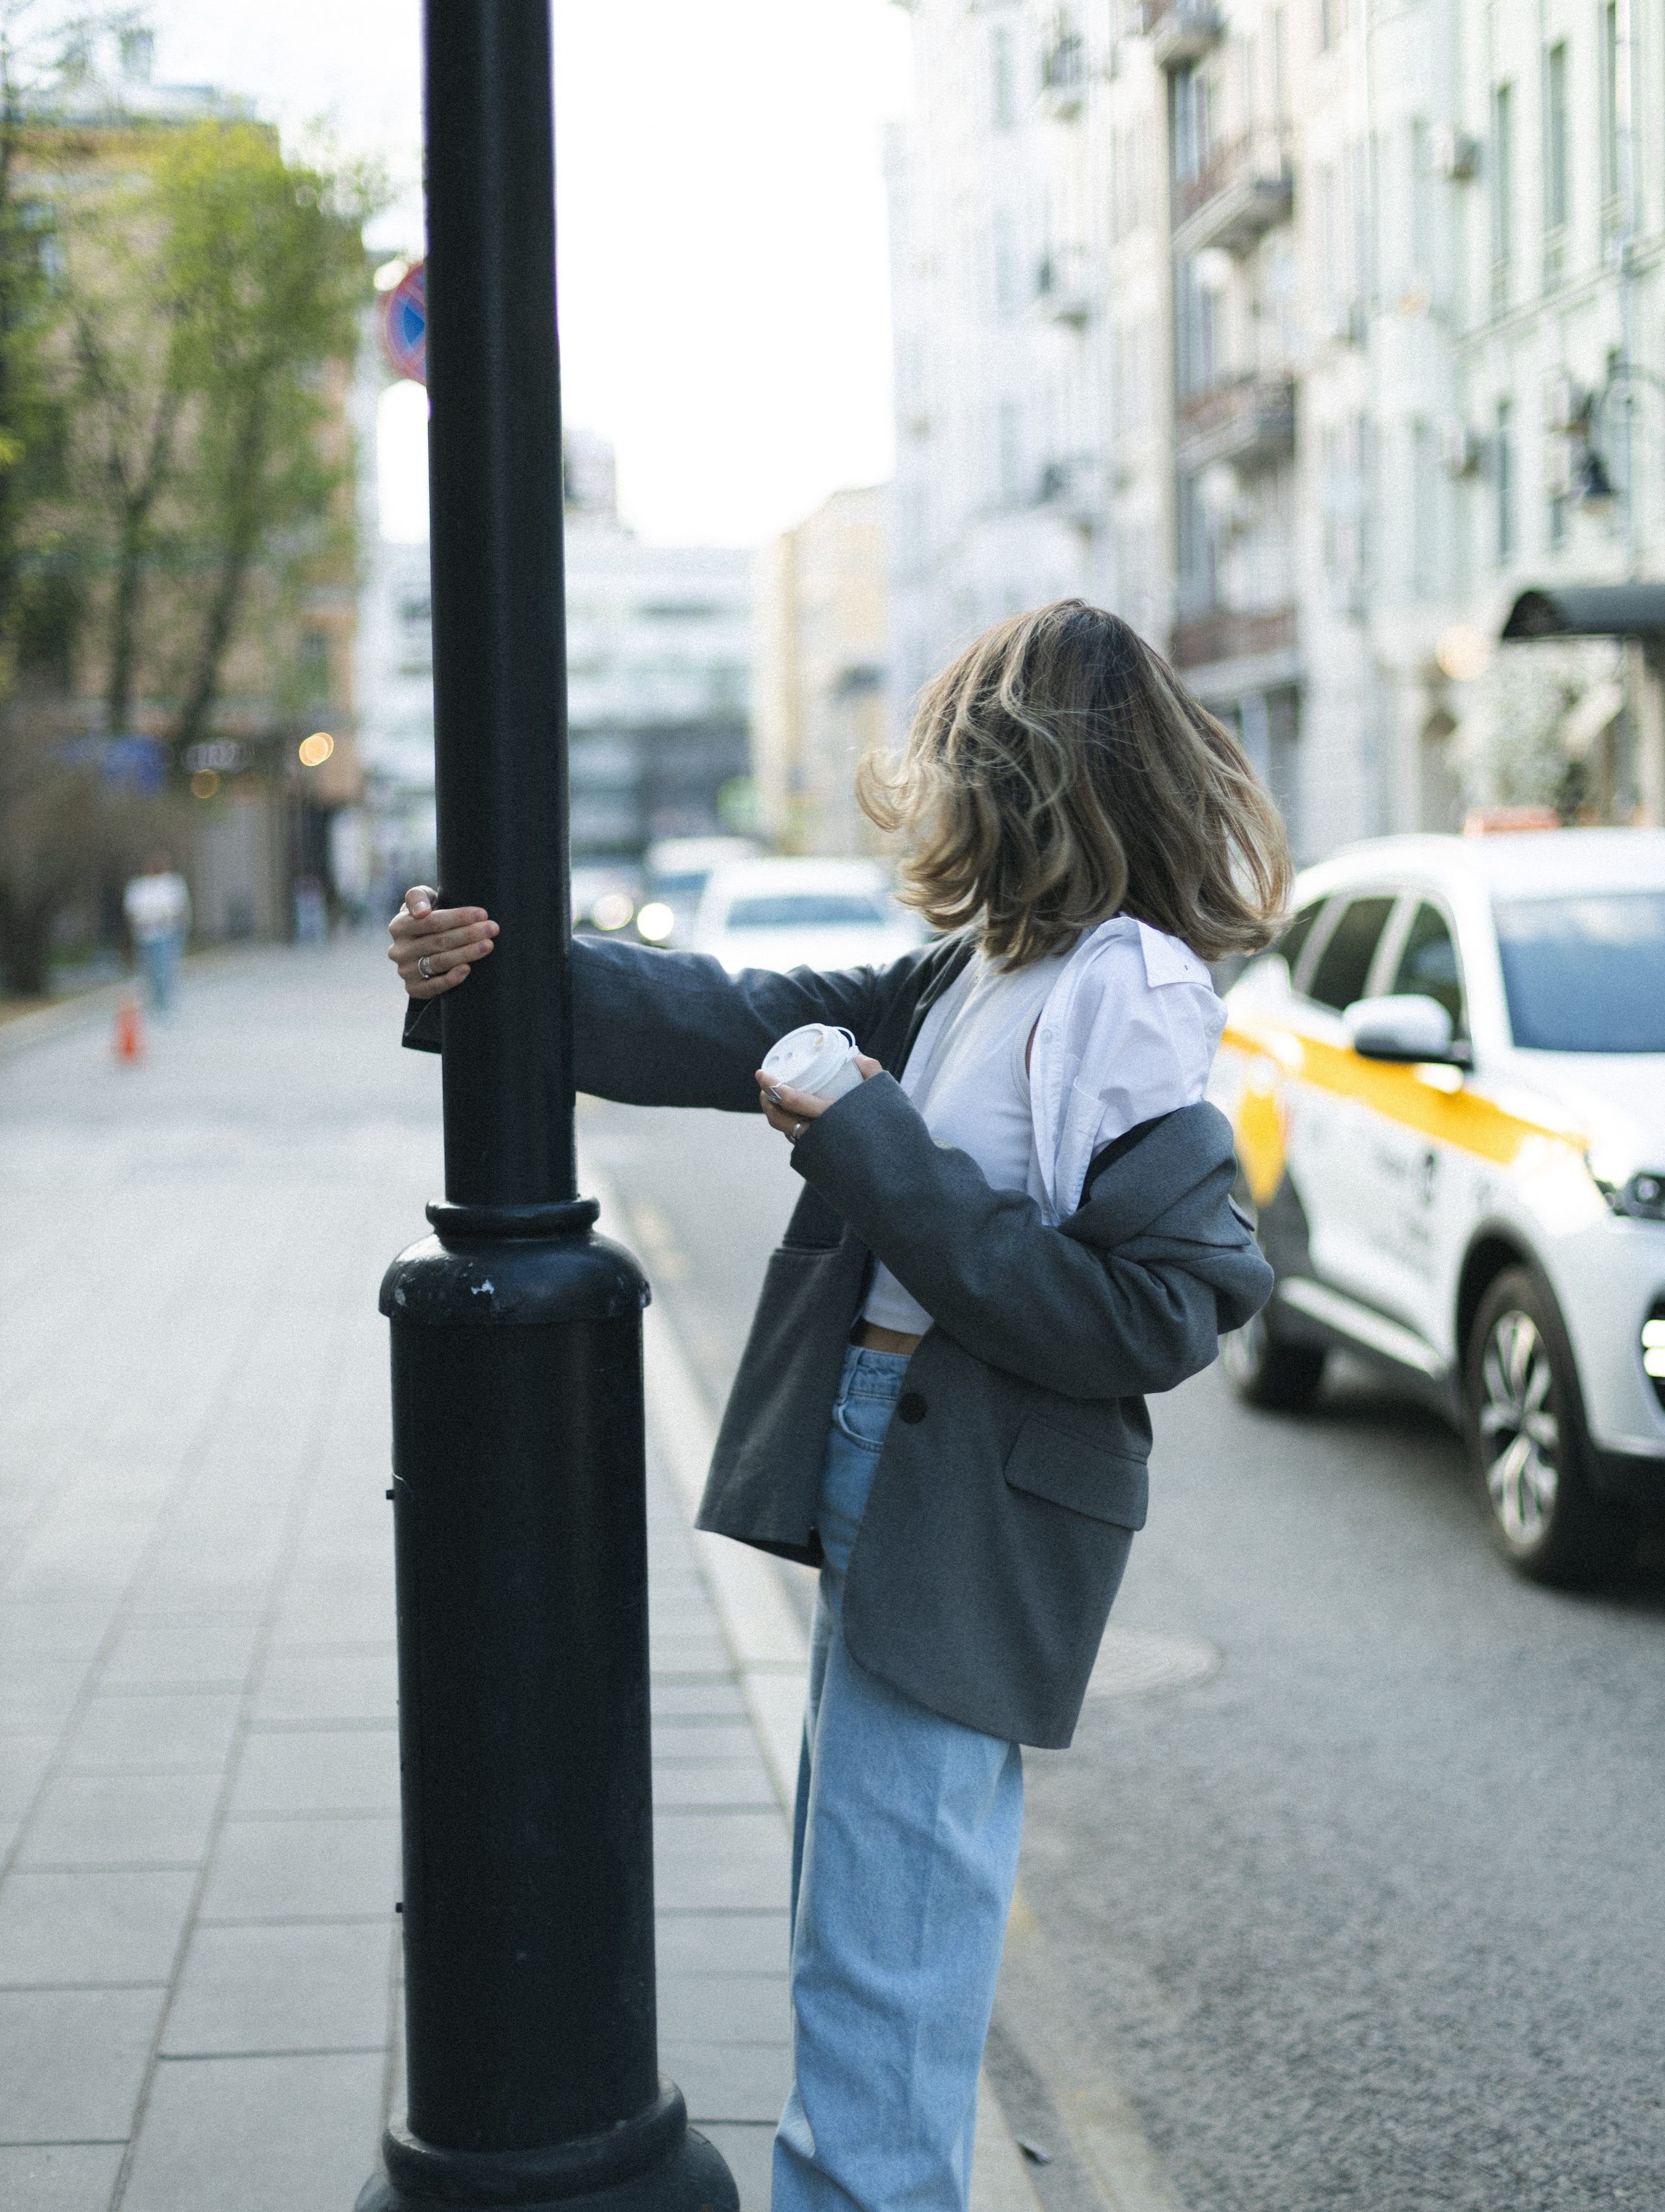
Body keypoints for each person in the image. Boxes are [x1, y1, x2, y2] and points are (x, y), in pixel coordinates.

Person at [388, 601, 1290, 2212]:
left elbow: (1157, 1308)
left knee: (890, 1956)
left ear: (1017, 777)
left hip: (980, 1506)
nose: (928, 793)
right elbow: (732, 1012)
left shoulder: (1126, 984)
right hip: (893, 1461)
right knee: (855, 1919)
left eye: (951, 762)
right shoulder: (979, 965)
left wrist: (866, 1138)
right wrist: (497, 972)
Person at [123, 851, 191, 1015]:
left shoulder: (172, 883)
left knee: (164, 969)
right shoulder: (140, 886)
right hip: (145, 934)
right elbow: (132, 911)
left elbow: (180, 909)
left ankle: (165, 1005)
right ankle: (154, 1003)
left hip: (166, 933)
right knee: (150, 971)